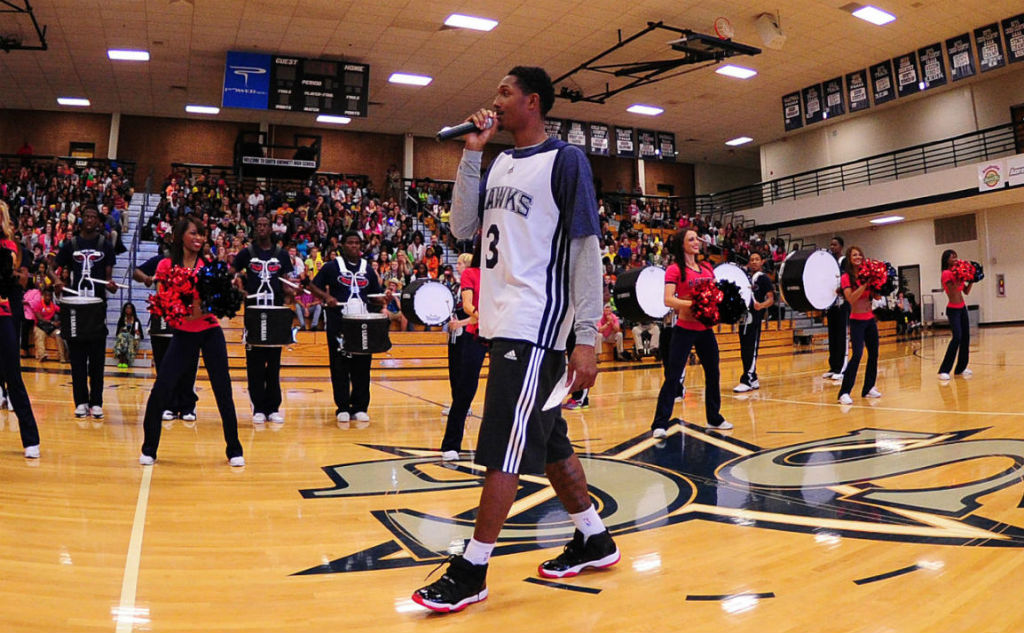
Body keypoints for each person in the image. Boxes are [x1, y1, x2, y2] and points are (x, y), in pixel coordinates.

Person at [413, 66, 619, 613]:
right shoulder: (499, 159)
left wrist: (587, 337)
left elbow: (585, 250)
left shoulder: (566, 159)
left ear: (533, 102)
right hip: (502, 323)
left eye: (504, 92)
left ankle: (474, 567)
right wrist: (472, 152)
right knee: (550, 445)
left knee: (504, 445)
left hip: (537, 326)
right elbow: (461, 228)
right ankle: (594, 537)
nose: (494, 100)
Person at [139, 216, 244, 467]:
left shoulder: (209, 267)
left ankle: (235, 449)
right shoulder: (165, 265)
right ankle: (149, 448)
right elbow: (166, 303)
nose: (199, 238)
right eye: (194, 233)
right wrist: (180, 306)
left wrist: (227, 293)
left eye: (202, 234)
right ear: (180, 236)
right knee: (161, 389)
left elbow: (216, 305)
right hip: (184, 334)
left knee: (223, 391)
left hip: (210, 332)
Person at [650, 228, 731, 437]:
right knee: (673, 376)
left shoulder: (706, 268)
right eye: (691, 239)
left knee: (713, 373)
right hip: (684, 330)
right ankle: (659, 423)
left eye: (697, 238)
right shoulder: (674, 270)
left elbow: (715, 295)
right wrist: (694, 303)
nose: (696, 242)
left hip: (705, 330)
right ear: (682, 244)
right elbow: (668, 299)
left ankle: (714, 417)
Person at [309, 231, 385, 426]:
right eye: (350, 242)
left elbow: (375, 295)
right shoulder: (332, 266)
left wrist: (385, 298)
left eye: (357, 243)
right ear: (342, 245)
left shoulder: (367, 268)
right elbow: (312, 285)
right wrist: (327, 298)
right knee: (339, 365)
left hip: (362, 324)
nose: (354, 246)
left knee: (362, 365)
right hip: (339, 323)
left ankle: (360, 407)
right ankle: (342, 407)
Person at [54, 205, 118, 419]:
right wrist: (57, 281)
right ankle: (81, 401)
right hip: (75, 306)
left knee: (97, 358)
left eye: (94, 217)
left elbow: (109, 275)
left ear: (99, 221)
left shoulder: (105, 245)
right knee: (78, 358)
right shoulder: (71, 244)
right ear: (81, 219)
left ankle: (96, 402)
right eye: (87, 216)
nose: (90, 219)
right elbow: (52, 261)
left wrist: (110, 285)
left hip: (97, 306)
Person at [233, 216, 294, 424]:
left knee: (274, 362)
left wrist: (294, 291)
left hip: (275, 312)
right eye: (258, 225)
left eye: (265, 225)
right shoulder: (247, 253)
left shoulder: (282, 255)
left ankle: (273, 407)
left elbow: (287, 284)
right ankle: (258, 407)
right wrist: (238, 289)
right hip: (254, 312)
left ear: (271, 228)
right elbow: (230, 272)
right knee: (254, 362)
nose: (261, 228)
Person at [135, 252, 199, 422]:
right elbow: (136, 272)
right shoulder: (160, 261)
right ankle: (168, 405)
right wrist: (148, 278)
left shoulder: (196, 261)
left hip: (188, 317)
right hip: (163, 317)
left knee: (188, 365)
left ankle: (187, 406)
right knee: (164, 365)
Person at [0, 200, 41, 458]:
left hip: (2, 312)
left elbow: (16, 277)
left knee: (13, 375)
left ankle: (30, 439)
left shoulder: (12, 246)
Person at [439, 250, 484, 460]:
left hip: (504, 334)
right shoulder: (471, 273)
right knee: (465, 389)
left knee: (509, 389)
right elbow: (467, 305)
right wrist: (482, 316)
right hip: (477, 334)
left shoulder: (504, 275)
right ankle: (451, 444)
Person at [837, 246, 882, 404]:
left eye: (860, 255)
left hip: (870, 319)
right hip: (856, 320)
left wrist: (879, 283)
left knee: (874, 354)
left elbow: (876, 297)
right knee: (857, 355)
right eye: (854, 255)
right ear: (849, 258)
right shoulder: (846, 278)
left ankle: (869, 387)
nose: (858, 257)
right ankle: (844, 392)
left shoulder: (867, 273)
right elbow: (851, 298)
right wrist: (864, 284)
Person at [733, 251, 775, 392]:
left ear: (762, 262)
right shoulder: (746, 278)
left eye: (757, 259)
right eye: (752, 260)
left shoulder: (763, 279)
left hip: (755, 318)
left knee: (751, 348)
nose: (754, 262)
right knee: (745, 349)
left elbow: (771, 299)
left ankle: (747, 379)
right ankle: (754, 377)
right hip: (744, 317)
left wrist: (761, 306)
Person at [937, 249, 973, 380]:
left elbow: (966, 291)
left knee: (966, 338)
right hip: (953, 310)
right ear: (946, 260)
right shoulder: (946, 273)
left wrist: (972, 279)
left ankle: (961, 368)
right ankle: (944, 370)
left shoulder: (959, 273)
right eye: (952, 257)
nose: (955, 258)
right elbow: (952, 291)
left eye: (956, 256)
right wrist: (961, 277)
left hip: (962, 308)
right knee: (957, 337)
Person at [822, 236, 848, 382]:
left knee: (841, 334)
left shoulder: (844, 261)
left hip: (842, 302)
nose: (832, 247)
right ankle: (833, 366)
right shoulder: (829, 262)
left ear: (841, 246)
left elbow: (846, 279)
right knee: (832, 335)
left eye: (835, 245)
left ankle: (842, 368)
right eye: (830, 245)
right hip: (831, 303)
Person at [28, 286, 66, 362]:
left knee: (59, 333)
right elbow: (40, 318)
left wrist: (60, 321)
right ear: (43, 296)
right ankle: (42, 355)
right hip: (40, 326)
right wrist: (52, 322)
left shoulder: (53, 305)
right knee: (39, 335)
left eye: (50, 296)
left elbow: (62, 311)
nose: (48, 298)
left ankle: (62, 357)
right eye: (46, 296)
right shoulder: (38, 304)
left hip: (50, 328)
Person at [113, 302, 143, 368]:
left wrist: (138, 332)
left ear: (132, 310)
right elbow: (117, 333)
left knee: (127, 339)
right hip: (123, 340)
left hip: (132, 340)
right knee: (123, 337)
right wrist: (122, 330)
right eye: (127, 308)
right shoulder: (121, 319)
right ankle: (122, 360)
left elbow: (141, 335)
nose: (128, 309)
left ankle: (124, 360)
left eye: (130, 308)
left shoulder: (136, 320)